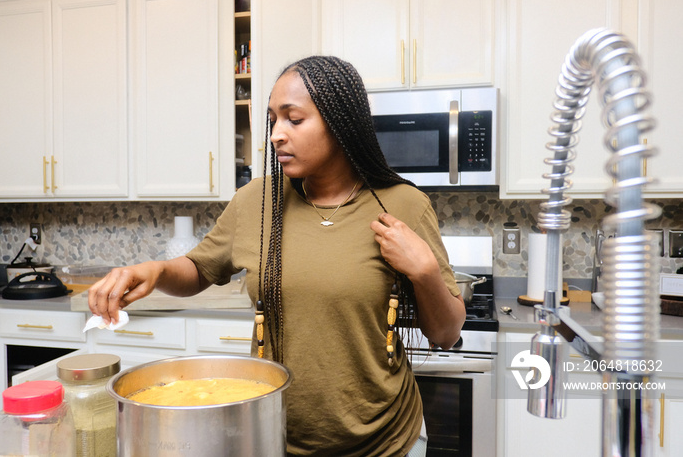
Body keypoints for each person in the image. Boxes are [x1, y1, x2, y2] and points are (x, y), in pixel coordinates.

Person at [88, 55, 465, 456]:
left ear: (341, 125)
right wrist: (155, 271)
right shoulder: (258, 201)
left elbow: (446, 333)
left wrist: (424, 271)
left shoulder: (403, 205)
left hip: (385, 442)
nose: (276, 135)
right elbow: (199, 269)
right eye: (273, 120)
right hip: (272, 435)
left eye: (294, 120)